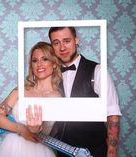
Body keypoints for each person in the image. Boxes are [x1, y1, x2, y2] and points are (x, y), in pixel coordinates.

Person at [48, 27, 122, 157]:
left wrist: (111, 152)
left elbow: (112, 115)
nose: (62, 48)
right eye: (56, 43)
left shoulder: (97, 70)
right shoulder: (51, 74)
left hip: (94, 150)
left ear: (76, 40)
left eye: (66, 41)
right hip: (62, 151)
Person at [0, 41, 62, 157]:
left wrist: (36, 129)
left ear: (54, 64)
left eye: (45, 59)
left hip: (40, 149)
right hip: (12, 148)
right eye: (35, 61)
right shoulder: (20, 91)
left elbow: (51, 131)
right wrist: (21, 129)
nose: (39, 64)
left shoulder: (59, 98)